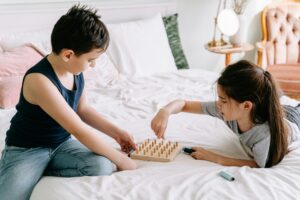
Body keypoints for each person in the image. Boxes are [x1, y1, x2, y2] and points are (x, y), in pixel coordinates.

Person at [0, 5, 137, 200]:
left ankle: (44, 170)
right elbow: (78, 129)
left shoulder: (76, 72)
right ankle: (30, 169)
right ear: (68, 55)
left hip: (60, 145)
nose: (93, 65)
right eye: (91, 59)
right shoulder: (39, 80)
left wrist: (117, 133)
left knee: (102, 166)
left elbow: (83, 109)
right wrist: (122, 161)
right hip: (27, 150)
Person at [151, 60, 300, 168]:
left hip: (294, 119)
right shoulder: (228, 110)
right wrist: (165, 111)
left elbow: (258, 164)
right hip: (278, 110)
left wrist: (215, 158)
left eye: (223, 100)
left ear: (246, 106)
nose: (218, 104)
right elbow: (185, 104)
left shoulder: (264, 135)